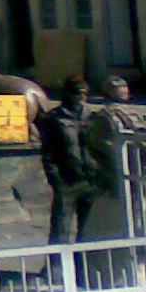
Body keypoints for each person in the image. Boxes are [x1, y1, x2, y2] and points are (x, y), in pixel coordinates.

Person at [39, 76, 97, 244]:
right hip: (66, 180)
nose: (81, 97)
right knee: (61, 230)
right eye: (78, 93)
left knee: (87, 232)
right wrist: (54, 176)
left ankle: (82, 268)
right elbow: (47, 151)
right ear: (68, 94)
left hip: (90, 179)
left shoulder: (92, 117)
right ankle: (57, 268)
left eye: (84, 93)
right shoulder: (55, 117)